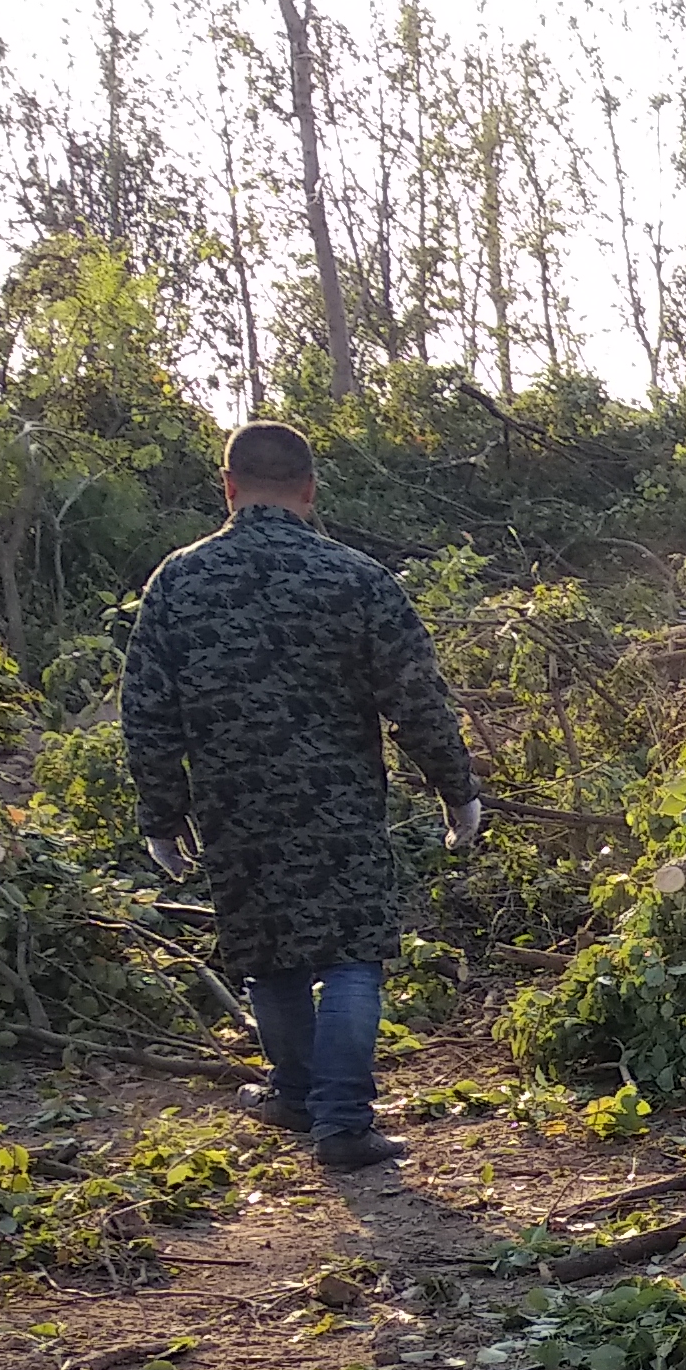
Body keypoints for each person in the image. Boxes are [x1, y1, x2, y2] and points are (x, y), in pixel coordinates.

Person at [121, 420, 482, 1172]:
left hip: (233, 805)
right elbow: (416, 698)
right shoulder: (355, 579)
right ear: (310, 492)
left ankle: (295, 1093)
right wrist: (457, 790)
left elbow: (148, 709)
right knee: (352, 955)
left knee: (269, 954)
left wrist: (162, 813)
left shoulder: (178, 581)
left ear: (227, 487)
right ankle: (341, 1122)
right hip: (339, 802)